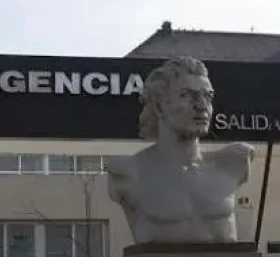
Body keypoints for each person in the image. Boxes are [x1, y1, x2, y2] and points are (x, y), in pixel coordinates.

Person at [106, 56, 255, 243]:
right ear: (159, 107)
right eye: (187, 95)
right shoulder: (127, 172)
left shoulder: (233, 163)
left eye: (207, 96)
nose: (202, 106)